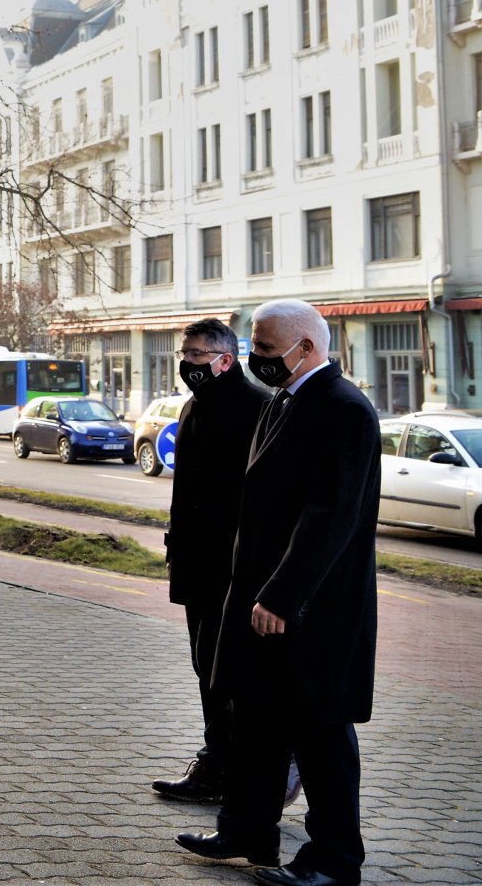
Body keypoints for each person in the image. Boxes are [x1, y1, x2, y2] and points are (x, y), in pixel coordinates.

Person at [175, 299, 380, 886]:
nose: (256, 359)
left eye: (265, 349)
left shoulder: (344, 408)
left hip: (312, 610)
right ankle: (247, 830)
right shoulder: (286, 399)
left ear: (306, 347)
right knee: (256, 719)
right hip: (262, 600)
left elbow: (330, 517)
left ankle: (333, 861)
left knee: (321, 736)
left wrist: (284, 596)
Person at [154, 318, 272, 803]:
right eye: (183, 354)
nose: (187, 364)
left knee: (230, 673)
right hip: (195, 563)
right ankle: (216, 764)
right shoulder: (192, 406)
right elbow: (185, 493)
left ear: (225, 360)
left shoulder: (259, 407)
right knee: (204, 665)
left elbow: (265, 500)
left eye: (196, 355)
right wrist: (174, 548)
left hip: (235, 569)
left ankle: (234, 771)